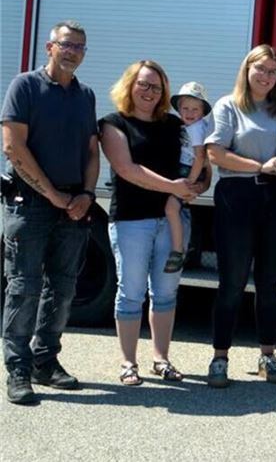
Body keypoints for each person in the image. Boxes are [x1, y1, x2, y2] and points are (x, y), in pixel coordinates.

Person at [1, 21, 97, 405]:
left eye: (80, 47)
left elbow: (92, 150)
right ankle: (18, 369)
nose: (73, 52)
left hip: (73, 204)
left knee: (63, 287)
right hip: (30, 203)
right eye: (67, 44)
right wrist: (51, 193)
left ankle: (45, 360)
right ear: (49, 47)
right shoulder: (25, 86)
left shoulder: (85, 95)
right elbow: (13, 147)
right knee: (24, 287)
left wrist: (87, 194)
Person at [99, 60, 206, 386]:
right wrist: (173, 187)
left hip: (172, 221)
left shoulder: (175, 124)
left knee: (166, 293)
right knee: (131, 293)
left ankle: (161, 359)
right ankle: (128, 363)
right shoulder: (113, 124)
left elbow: (200, 164)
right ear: (129, 85)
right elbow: (127, 169)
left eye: (156, 87)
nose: (149, 91)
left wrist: (196, 187)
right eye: (143, 84)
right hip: (131, 221)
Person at [204, 45, 276, 388]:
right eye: (260, 69)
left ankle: (267, 356)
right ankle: (219, 357)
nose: (266, 76)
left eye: (272, 71)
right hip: (237, 196)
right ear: (247, 70)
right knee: (233, 281)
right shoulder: (229, 105)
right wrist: (260, 166)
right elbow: (216, 154)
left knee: (270, 281)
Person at [163, 81, 211, 273]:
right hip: (187, 169)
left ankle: (178, 250)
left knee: (171, 207)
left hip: (188, 170)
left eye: (195, 109)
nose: (190, 113)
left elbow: (200, 156)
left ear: (203, 111)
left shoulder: (196, 129)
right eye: (185, 108)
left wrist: (190, 181)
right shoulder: (195, 126)